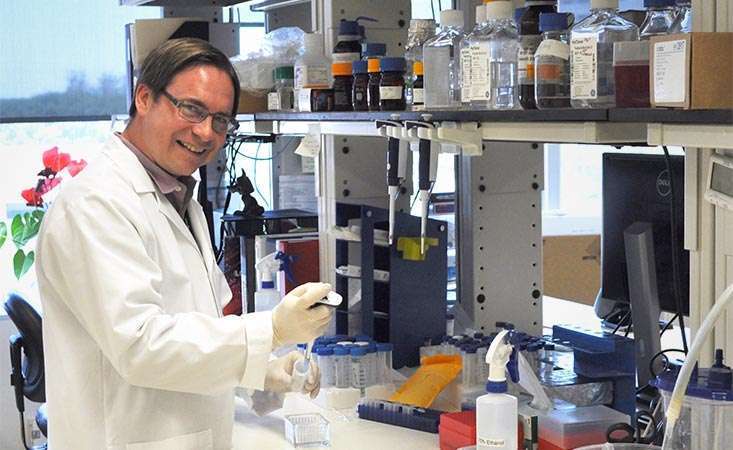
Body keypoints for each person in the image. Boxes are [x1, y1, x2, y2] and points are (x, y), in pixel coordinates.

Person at [36, 38, 334, 450]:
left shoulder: (178, 197)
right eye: (191, 109)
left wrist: (262, 373)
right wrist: (271, 328)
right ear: (144, 98)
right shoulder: (95, 204)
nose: (205, 132)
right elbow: (141, 345)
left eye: (220, 120)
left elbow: (197, 324)